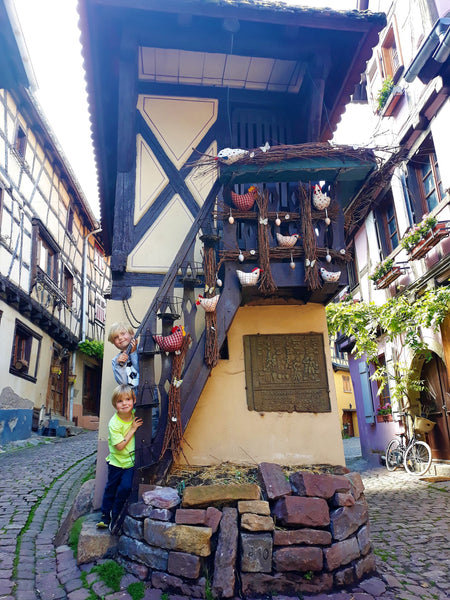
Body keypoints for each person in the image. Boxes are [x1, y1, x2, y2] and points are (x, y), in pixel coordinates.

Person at [97, 384, 143, 530]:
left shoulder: (136, 415)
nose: (124, 403)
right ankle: (105, 516)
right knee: (111, 488)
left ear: (134, 400)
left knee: (125, 487)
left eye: (128, 399)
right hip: (116, 462)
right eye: (120, 401)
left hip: (130, 463)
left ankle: (115, 513)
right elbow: (120, 446)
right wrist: (133, 429)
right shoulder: (114, 423)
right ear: (115, 404)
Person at [108, 322, 139, 388]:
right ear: (113, 342)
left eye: (123, 333)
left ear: (132, 334)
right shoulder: (115, 360)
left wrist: (133, 353)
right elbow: (123, 383)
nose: (120, 338)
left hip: (147, 393)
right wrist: (118, 365)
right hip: (129, 396)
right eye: (116, 337)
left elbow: (143, 372)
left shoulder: (141, 349)